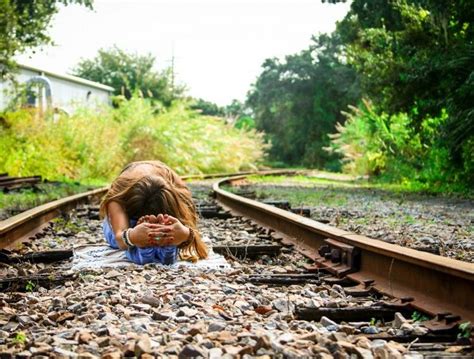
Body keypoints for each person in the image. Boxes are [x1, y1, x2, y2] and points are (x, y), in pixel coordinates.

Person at [99, 160, 208, 264]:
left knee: (169, 230)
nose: (153, 222)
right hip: (129, 221)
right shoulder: (120, 190)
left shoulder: (178, 190)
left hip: (166, 213)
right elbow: (120, 237)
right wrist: (132, 235)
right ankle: (146, 249)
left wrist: (184, 234)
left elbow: (193, 234)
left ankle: (165, 245)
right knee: (115, 240)